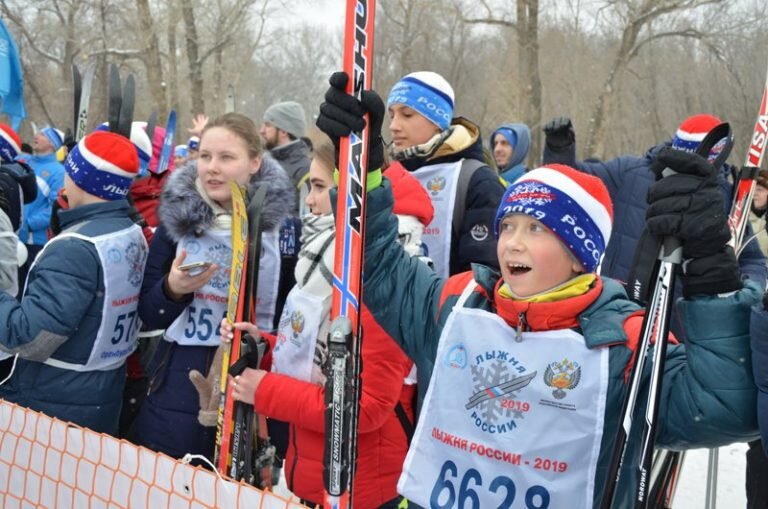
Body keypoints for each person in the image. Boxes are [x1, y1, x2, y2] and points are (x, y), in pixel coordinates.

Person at [316, 79, 760, 508]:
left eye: (536, 229)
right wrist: (362, 171)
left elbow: (723, 407)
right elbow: (380, 265)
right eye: (508, 226)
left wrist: (709, 269)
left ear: (579, 256)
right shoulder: (461, 304)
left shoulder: (624, 342)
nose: (512, 243)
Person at [224, 136, 432, 507]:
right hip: (316, 473)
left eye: (320, 187)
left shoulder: (380, 285)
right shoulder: (324, 265)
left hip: (362, 487)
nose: (310, 200)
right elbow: (318, 359)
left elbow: (366, 407)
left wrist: (265, 390)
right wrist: (264, 347)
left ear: (351, 198)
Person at [130, 113, 293, 461]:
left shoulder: (279, 227)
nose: (212, 168)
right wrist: (173, 289)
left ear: (254, 163)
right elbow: (148, 313)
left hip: (252, 376)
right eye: (205, 156)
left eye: (226, 157)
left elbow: (290, 317)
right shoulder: (178, 218)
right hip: (180, 379)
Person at [0, 130, 148, 434]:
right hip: (98, 394)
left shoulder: (74, 248)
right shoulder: (130, 230)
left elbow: (32, 339)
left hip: (51, 404)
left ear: (78, 178)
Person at [318, 71, 505, 279]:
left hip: (444, 297)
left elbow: (485, 273)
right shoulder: (387, 172)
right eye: (392, 115)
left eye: (407, 115)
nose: (393, 126)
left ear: (437, 120)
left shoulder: (476, 179)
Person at [16, 126, 66, 295]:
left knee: (24, 288)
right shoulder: (23, 160)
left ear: (52, 144)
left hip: (33, 241)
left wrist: (27, 224)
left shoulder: (58, 172)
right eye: (37, 133)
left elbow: (54, 207)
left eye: (42, 135)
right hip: (10, 234)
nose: (36, 136)